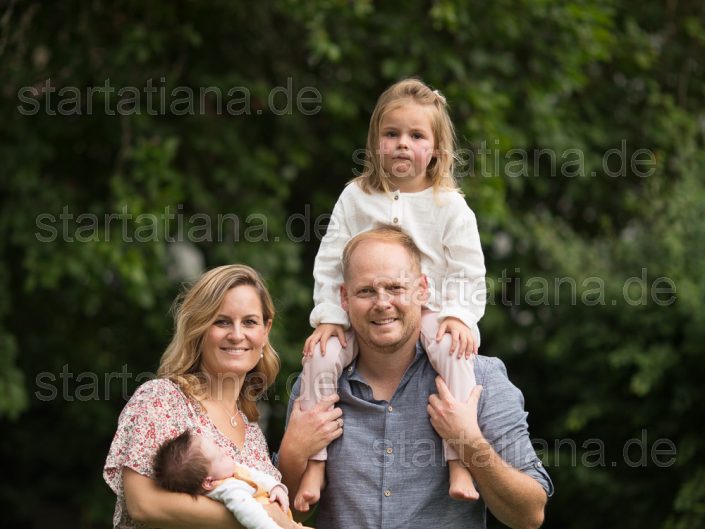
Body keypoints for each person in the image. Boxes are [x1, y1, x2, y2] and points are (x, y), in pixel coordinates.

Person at [278, 227, 553, 529]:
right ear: (344, 297)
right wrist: (292, 454)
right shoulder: (317, 383)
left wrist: (469, 442)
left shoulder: (478, 378)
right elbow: (286, 515)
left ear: (422, 289)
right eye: (366, 291)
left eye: (395, 287)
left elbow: (529, 515)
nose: (382, 303)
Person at [297, 77, 487, 510]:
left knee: (456, 354)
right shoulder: (356, 197)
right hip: (364, 313)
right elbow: (330, 261)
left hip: (431, 310)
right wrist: (330, 316)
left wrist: (459, 315)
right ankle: (314, 463)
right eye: (392, 134)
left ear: (436, 148)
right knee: (320, 357)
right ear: (375, 142)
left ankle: (459, 460)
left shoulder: (449, 205)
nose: (403, 144)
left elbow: (467, 267)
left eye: (417, 136)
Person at [103, 264, 322, 529]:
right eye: (222, 321)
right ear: (199, 328)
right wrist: (257, 515)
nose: (237, 335)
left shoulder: (251, 431)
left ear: (265, 331)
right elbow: (144, 504)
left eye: (250, 322)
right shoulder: (163, 399)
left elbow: (285, 514)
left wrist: (294, 452)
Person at [153, 429, 305, 529]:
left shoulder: (227, 472)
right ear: (209, 482)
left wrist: (275, 487)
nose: (226, 452)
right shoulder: (229, 491)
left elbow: (254, 475)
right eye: (221, 456)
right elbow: (251, 515)